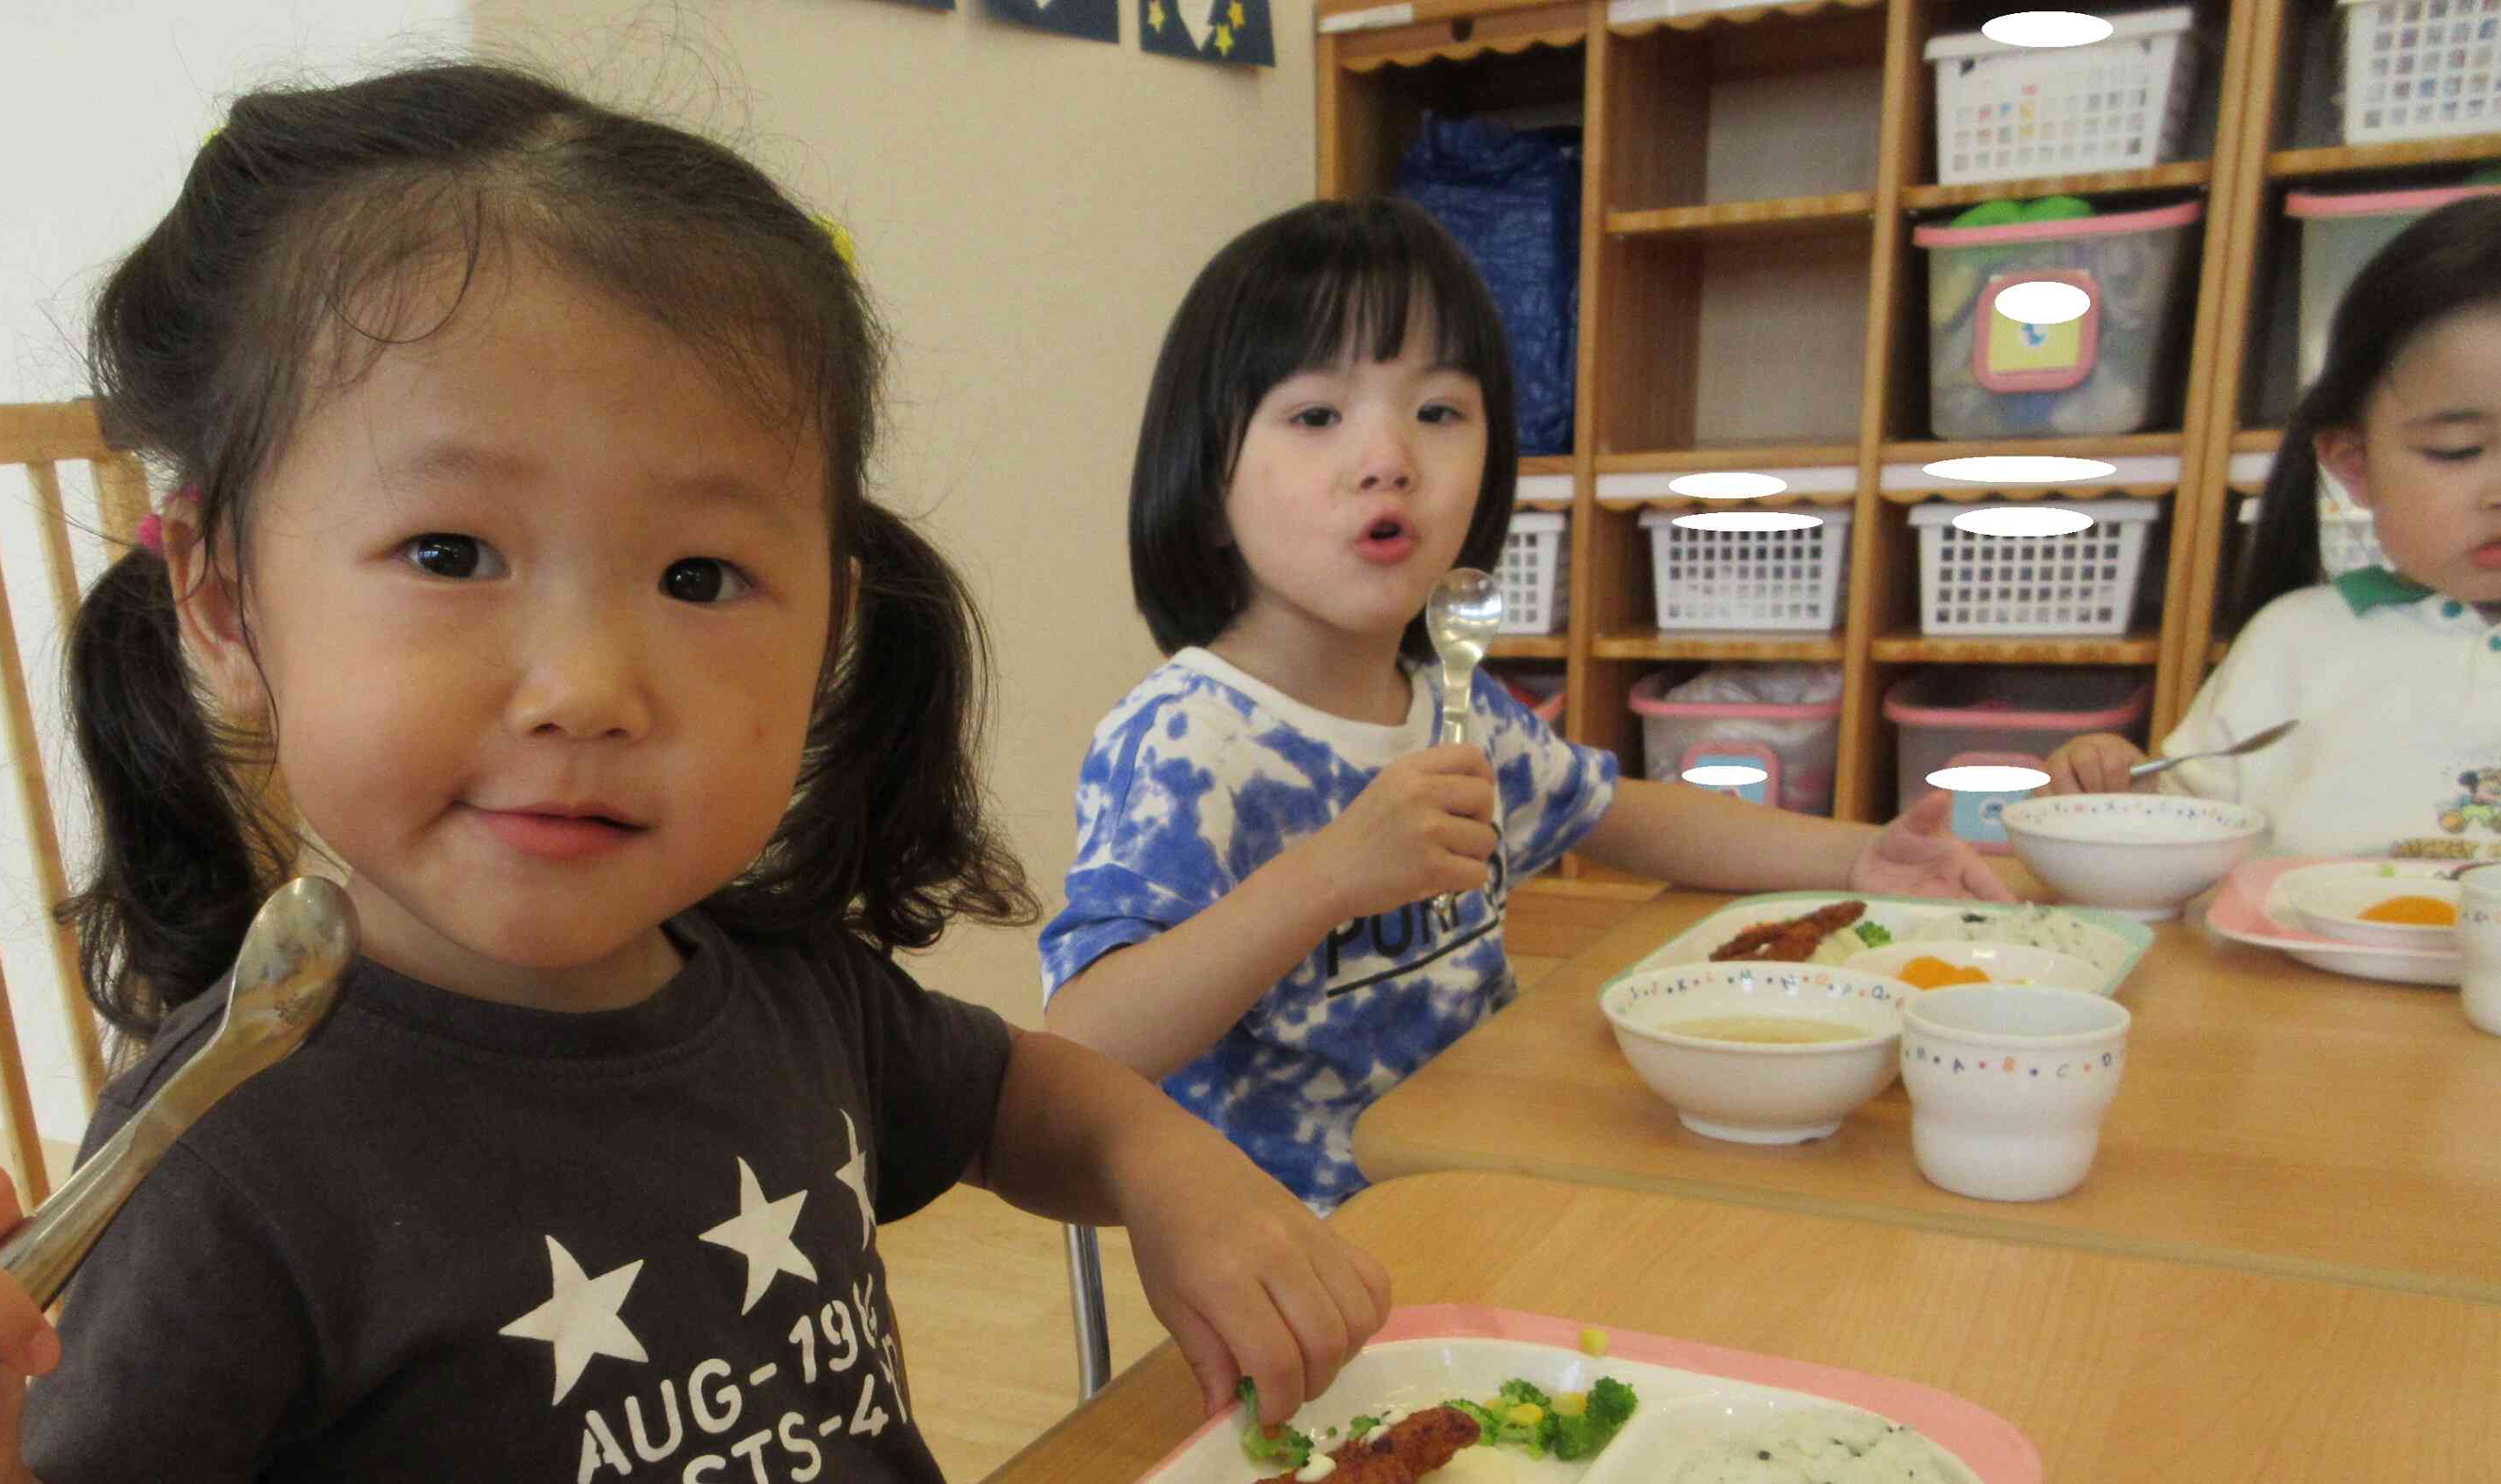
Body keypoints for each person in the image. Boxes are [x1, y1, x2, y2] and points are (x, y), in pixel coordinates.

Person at [0, 64, 1387, 1484]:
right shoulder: (238, 1138)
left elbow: (1024, 1091)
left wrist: (1173, 1174)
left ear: (830, 616)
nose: (589, 682)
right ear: (226, 597)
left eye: (700, 577)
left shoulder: (773, 978)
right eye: (449, 554)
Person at [1039, 198, 2007, 1210]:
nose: (1390, 459)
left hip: (1492, 1175)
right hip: (1307, 1265)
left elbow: (1623, 812)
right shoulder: (1189, 739)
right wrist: (1327, 877)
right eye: (1317, 414)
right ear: (1206, 482)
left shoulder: (1448, 698)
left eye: (1438, 412)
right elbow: (1085, 1041)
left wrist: (1852, 858)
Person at [2041, 194, 2501, 859]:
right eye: (2456, 451)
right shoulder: (2295, 642)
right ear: (2354, 463)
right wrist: (2102, 793)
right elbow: (2182, 842)